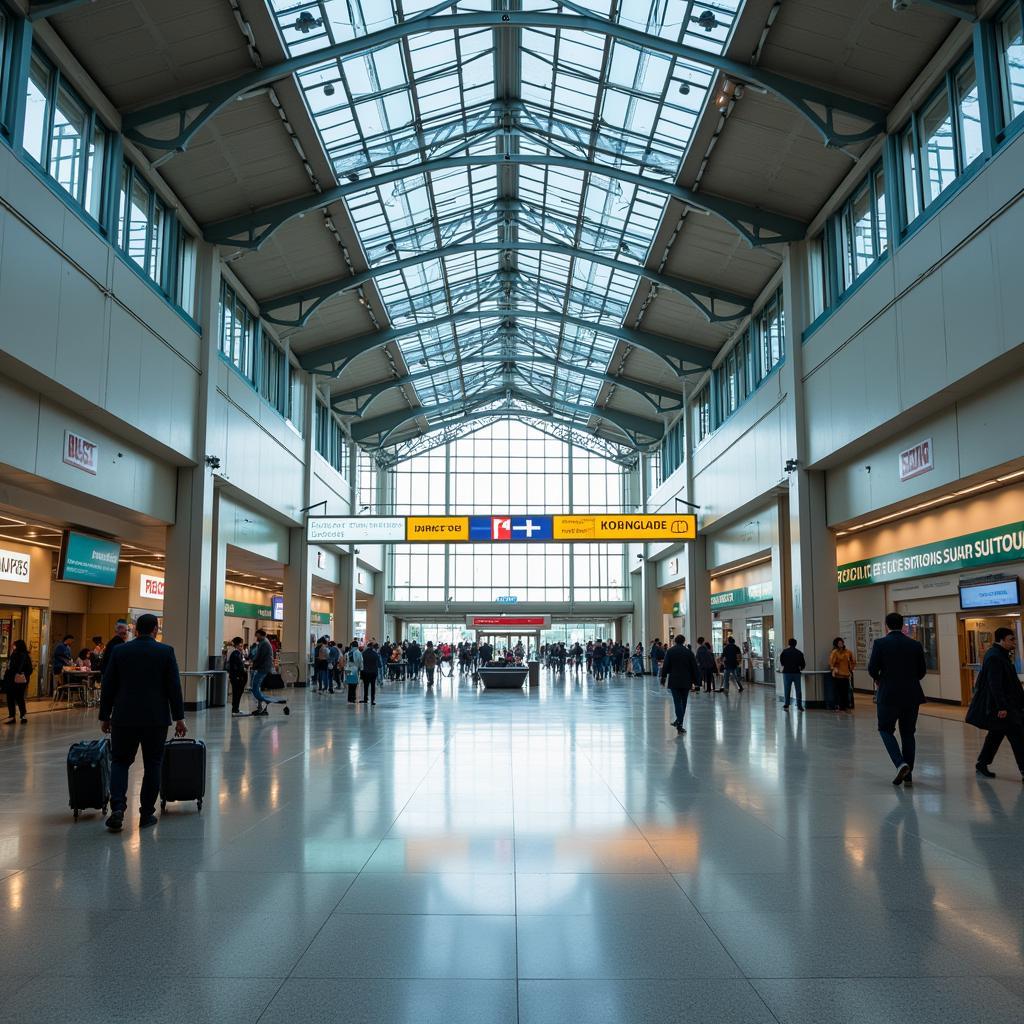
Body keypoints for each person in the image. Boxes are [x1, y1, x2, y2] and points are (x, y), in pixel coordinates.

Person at [99, 613, 186, 832]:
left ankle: (117, 808)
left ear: (136, 630)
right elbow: (174, 687)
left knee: (119, 762)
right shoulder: (165, 652)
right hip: (155, 720)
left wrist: (105, 716)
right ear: (156, 629)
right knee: (153, 764)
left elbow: (108, 685)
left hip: (124, 718)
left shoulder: (120, 651)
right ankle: (146, 813)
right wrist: (179, 718)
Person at [867, 612, 927, 787]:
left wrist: (880, 679)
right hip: (912, 695)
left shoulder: (880, 644)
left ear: (886, 625)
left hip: (888, 694)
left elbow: (872, 669)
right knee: (908, 733)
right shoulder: (915, 644)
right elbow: (921, 671)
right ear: (902, 625)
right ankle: (909, 775)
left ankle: (900, 763)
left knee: (885, 729)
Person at [966, 626, 1024, 780]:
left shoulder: (1001, 655)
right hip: (1005, 706)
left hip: (1008, 705)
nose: (1014, 642)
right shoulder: (995, 657)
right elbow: (995, 684)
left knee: (996, 734)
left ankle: (982, 763)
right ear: (1001, 640)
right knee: (1018, 737)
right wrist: (1002, 706)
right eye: (1011, 639)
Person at [660, 635, 699, 735]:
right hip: (686, 680)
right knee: (684, 701)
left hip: (674, 680)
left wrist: (663, 677)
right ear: (683, 641)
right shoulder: (688, 652)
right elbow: (694, 667)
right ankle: (680, 722)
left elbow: (666, 665)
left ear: (674, 641)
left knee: (677, 701)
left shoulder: (670, 651)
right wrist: (696, 681)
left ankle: (679, 722)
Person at [249, 628, 287, 714]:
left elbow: (259, 656)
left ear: (261, 635)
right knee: (257, 687)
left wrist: (252, 660)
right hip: (263, 668)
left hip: (263, 668)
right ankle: (260, 707)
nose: (256, 637)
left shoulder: (264, 643)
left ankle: (262, 705)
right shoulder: (264, 642)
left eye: (257, 635)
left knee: (255, 688)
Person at [2, 639, 32, 724]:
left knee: (10, 698)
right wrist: (24, 675)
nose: (12, 646)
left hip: (12, 680)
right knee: (20, 698)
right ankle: (23, 716)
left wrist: (6, 677)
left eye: (14, 645)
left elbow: (9, 667)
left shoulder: (14, 655)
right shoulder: (26, 656)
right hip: (21, 681)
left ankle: (12, 716)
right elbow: (30, 669)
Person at [828, 637, 856, 712]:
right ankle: (838, 706)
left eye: (842, 643)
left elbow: (853, 661)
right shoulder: (834, 652)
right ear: (836, 644)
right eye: (839, 643)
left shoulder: (848, 652)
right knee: (838, 692)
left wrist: (851, 668)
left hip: (846, 675)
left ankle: (845, 706)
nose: (841, 644)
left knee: (845, 692)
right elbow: (831, 663)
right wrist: (833, 668)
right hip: (837, 675)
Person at [779, 638, 806, 711]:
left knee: (787, 689)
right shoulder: (799, 653)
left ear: (789, 644)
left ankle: (786, 704)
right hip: (796, 673)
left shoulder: (784, 652)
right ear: (795, 644)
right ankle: (799, 705)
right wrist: (800, 668)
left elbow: (782, 662)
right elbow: (803, 664)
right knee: (798, 690)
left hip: (787, 673)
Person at [226, 636, 248, 715]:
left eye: (242, 646)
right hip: (237, 677)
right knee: (237, 693)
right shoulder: (235, 653)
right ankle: (235, 710)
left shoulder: (234, 652)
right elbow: (238, 666)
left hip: (235, 676)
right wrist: (241, 673)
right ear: (236, 645)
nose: (241, 648)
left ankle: (236, 709)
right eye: (240, 646)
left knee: (237, 693)